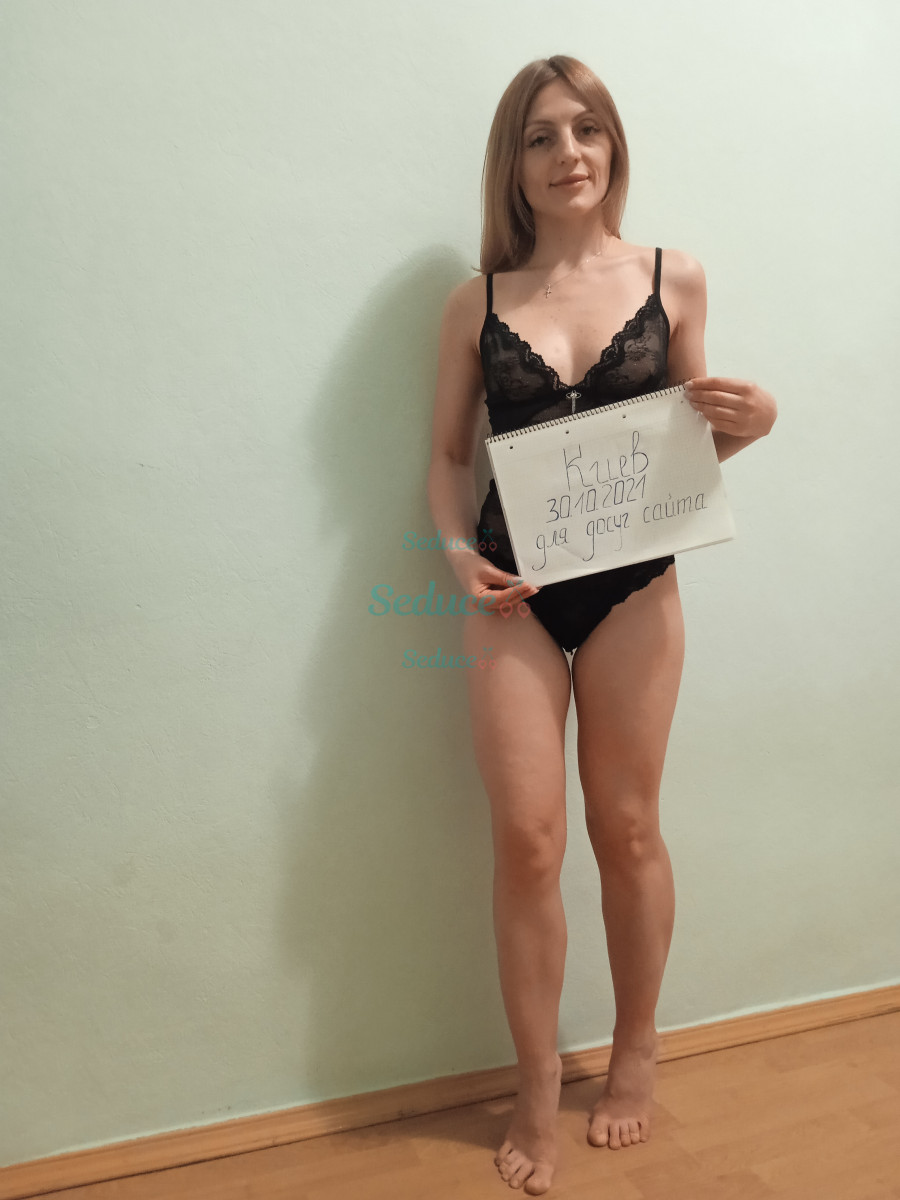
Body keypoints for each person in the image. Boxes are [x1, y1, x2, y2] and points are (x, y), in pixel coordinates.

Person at [427, 55, 776, 1195]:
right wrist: (455, 556)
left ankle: (635, 1051)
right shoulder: (476, 302)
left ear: (613, 145)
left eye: (586, 129)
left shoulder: (676, 278)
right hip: (513, 594)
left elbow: (692, 448)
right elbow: (445, 458)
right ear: (513, 164)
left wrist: (757, 418)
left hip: (634, 586)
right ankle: (535, 1083)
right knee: (528, 842)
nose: (567, 153)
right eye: (540, 136)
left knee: (625, 829)